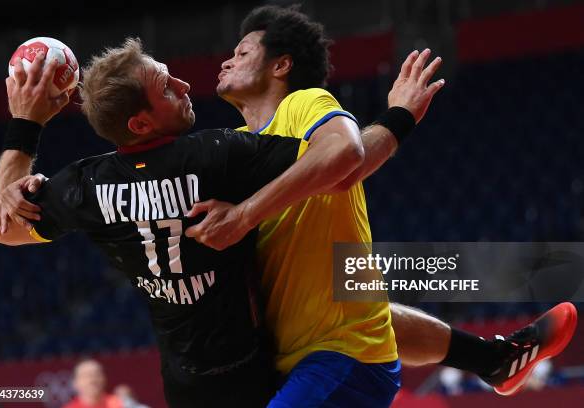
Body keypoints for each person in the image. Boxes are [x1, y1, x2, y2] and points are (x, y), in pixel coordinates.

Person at [182, 4, 578, 403]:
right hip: (288, 359)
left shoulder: (301, 105)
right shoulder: (233, 145)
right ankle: (491, 359)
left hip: (341, 355)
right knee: (357, 296)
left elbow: (346, 155)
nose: (226, 61)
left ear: (281, 65)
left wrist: (399, 116)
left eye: (243, 52)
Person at [0, 39, 334, 407]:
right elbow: (339, 157)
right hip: (257, 374)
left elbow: (1, 228)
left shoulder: (85, 185)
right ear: (140, 122)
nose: (184, 86)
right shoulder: (218, 153)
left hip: (182, 385)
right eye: (167, 87)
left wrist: (26, 124)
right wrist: (398, 117)